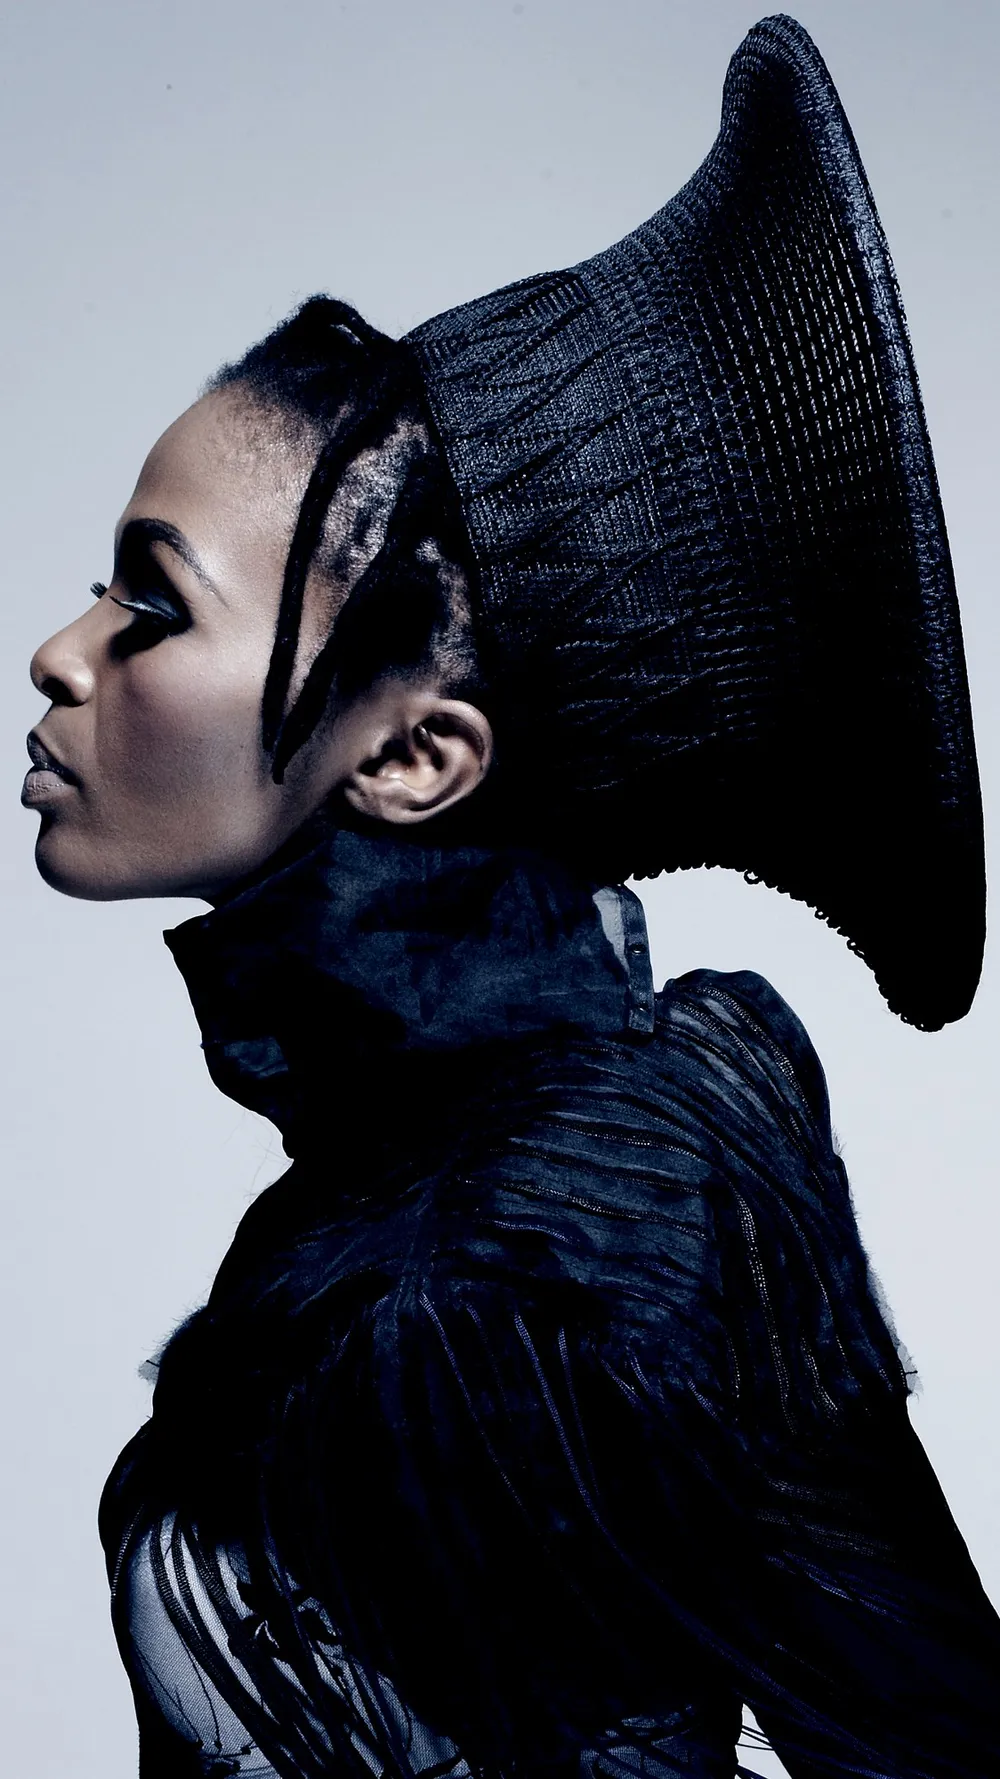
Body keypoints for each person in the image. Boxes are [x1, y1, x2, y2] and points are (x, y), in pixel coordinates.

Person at [21, 15, 1000, 1779]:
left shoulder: (562, 1233)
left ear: (416, 756)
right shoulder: (372, 1200)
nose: (62, 651)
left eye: (153, 604)